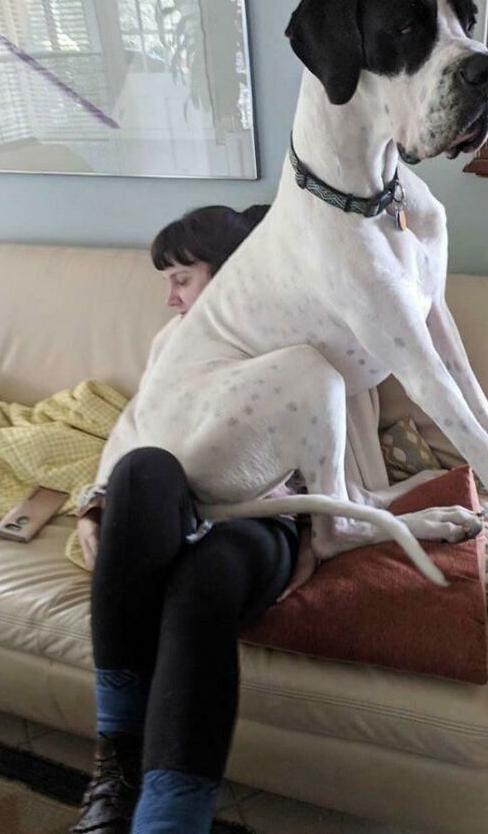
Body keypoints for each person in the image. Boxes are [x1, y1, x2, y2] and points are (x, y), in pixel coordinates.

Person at [71, 205, 316, 834]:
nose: (170, 298)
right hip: (177, 507)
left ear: (230, 273)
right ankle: (116, 765)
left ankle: (168, 820)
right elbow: (133, 429)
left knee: (202, 583)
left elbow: (343, 450)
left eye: (182, 279)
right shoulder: (170, 342)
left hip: (262, 518)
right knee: (142, 469)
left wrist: (318, 538)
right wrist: (95, 509)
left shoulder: (305, 337)